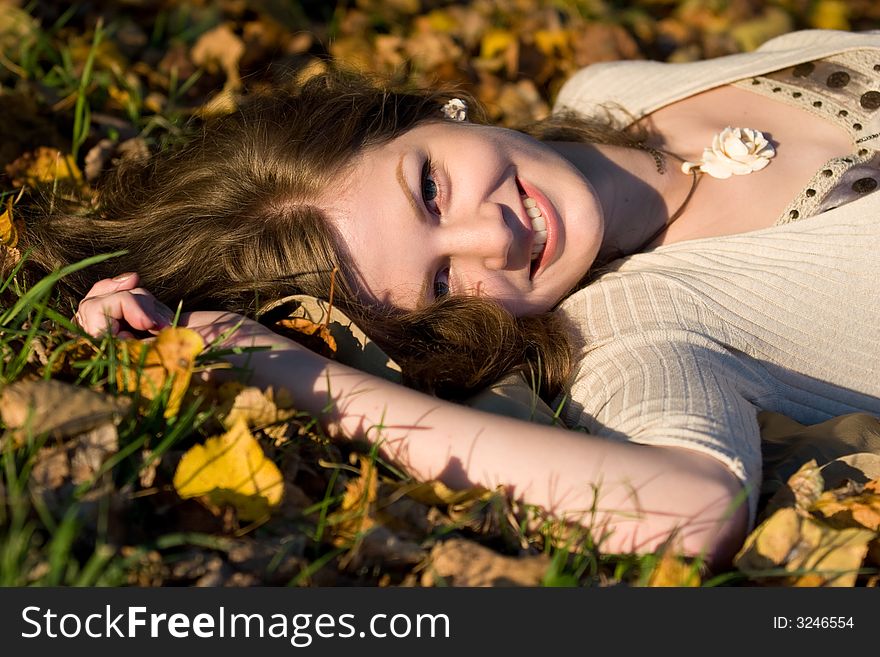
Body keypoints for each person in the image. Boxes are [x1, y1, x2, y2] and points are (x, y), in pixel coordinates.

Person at [23, 28, 880, 570]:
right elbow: (685, 509)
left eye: (429, 188)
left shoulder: (610, 87)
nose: (495, 238)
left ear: (430, 113)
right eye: (443, 282)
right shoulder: (642, 329)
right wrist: (293, 376)